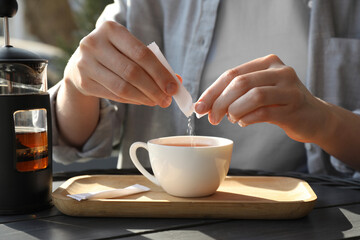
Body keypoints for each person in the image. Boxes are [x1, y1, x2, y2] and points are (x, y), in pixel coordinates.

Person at [50, 0, 360, 177]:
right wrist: (77, 86)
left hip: (311, 222)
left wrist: (326, 121)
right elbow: (71, 141)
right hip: (159, 224)